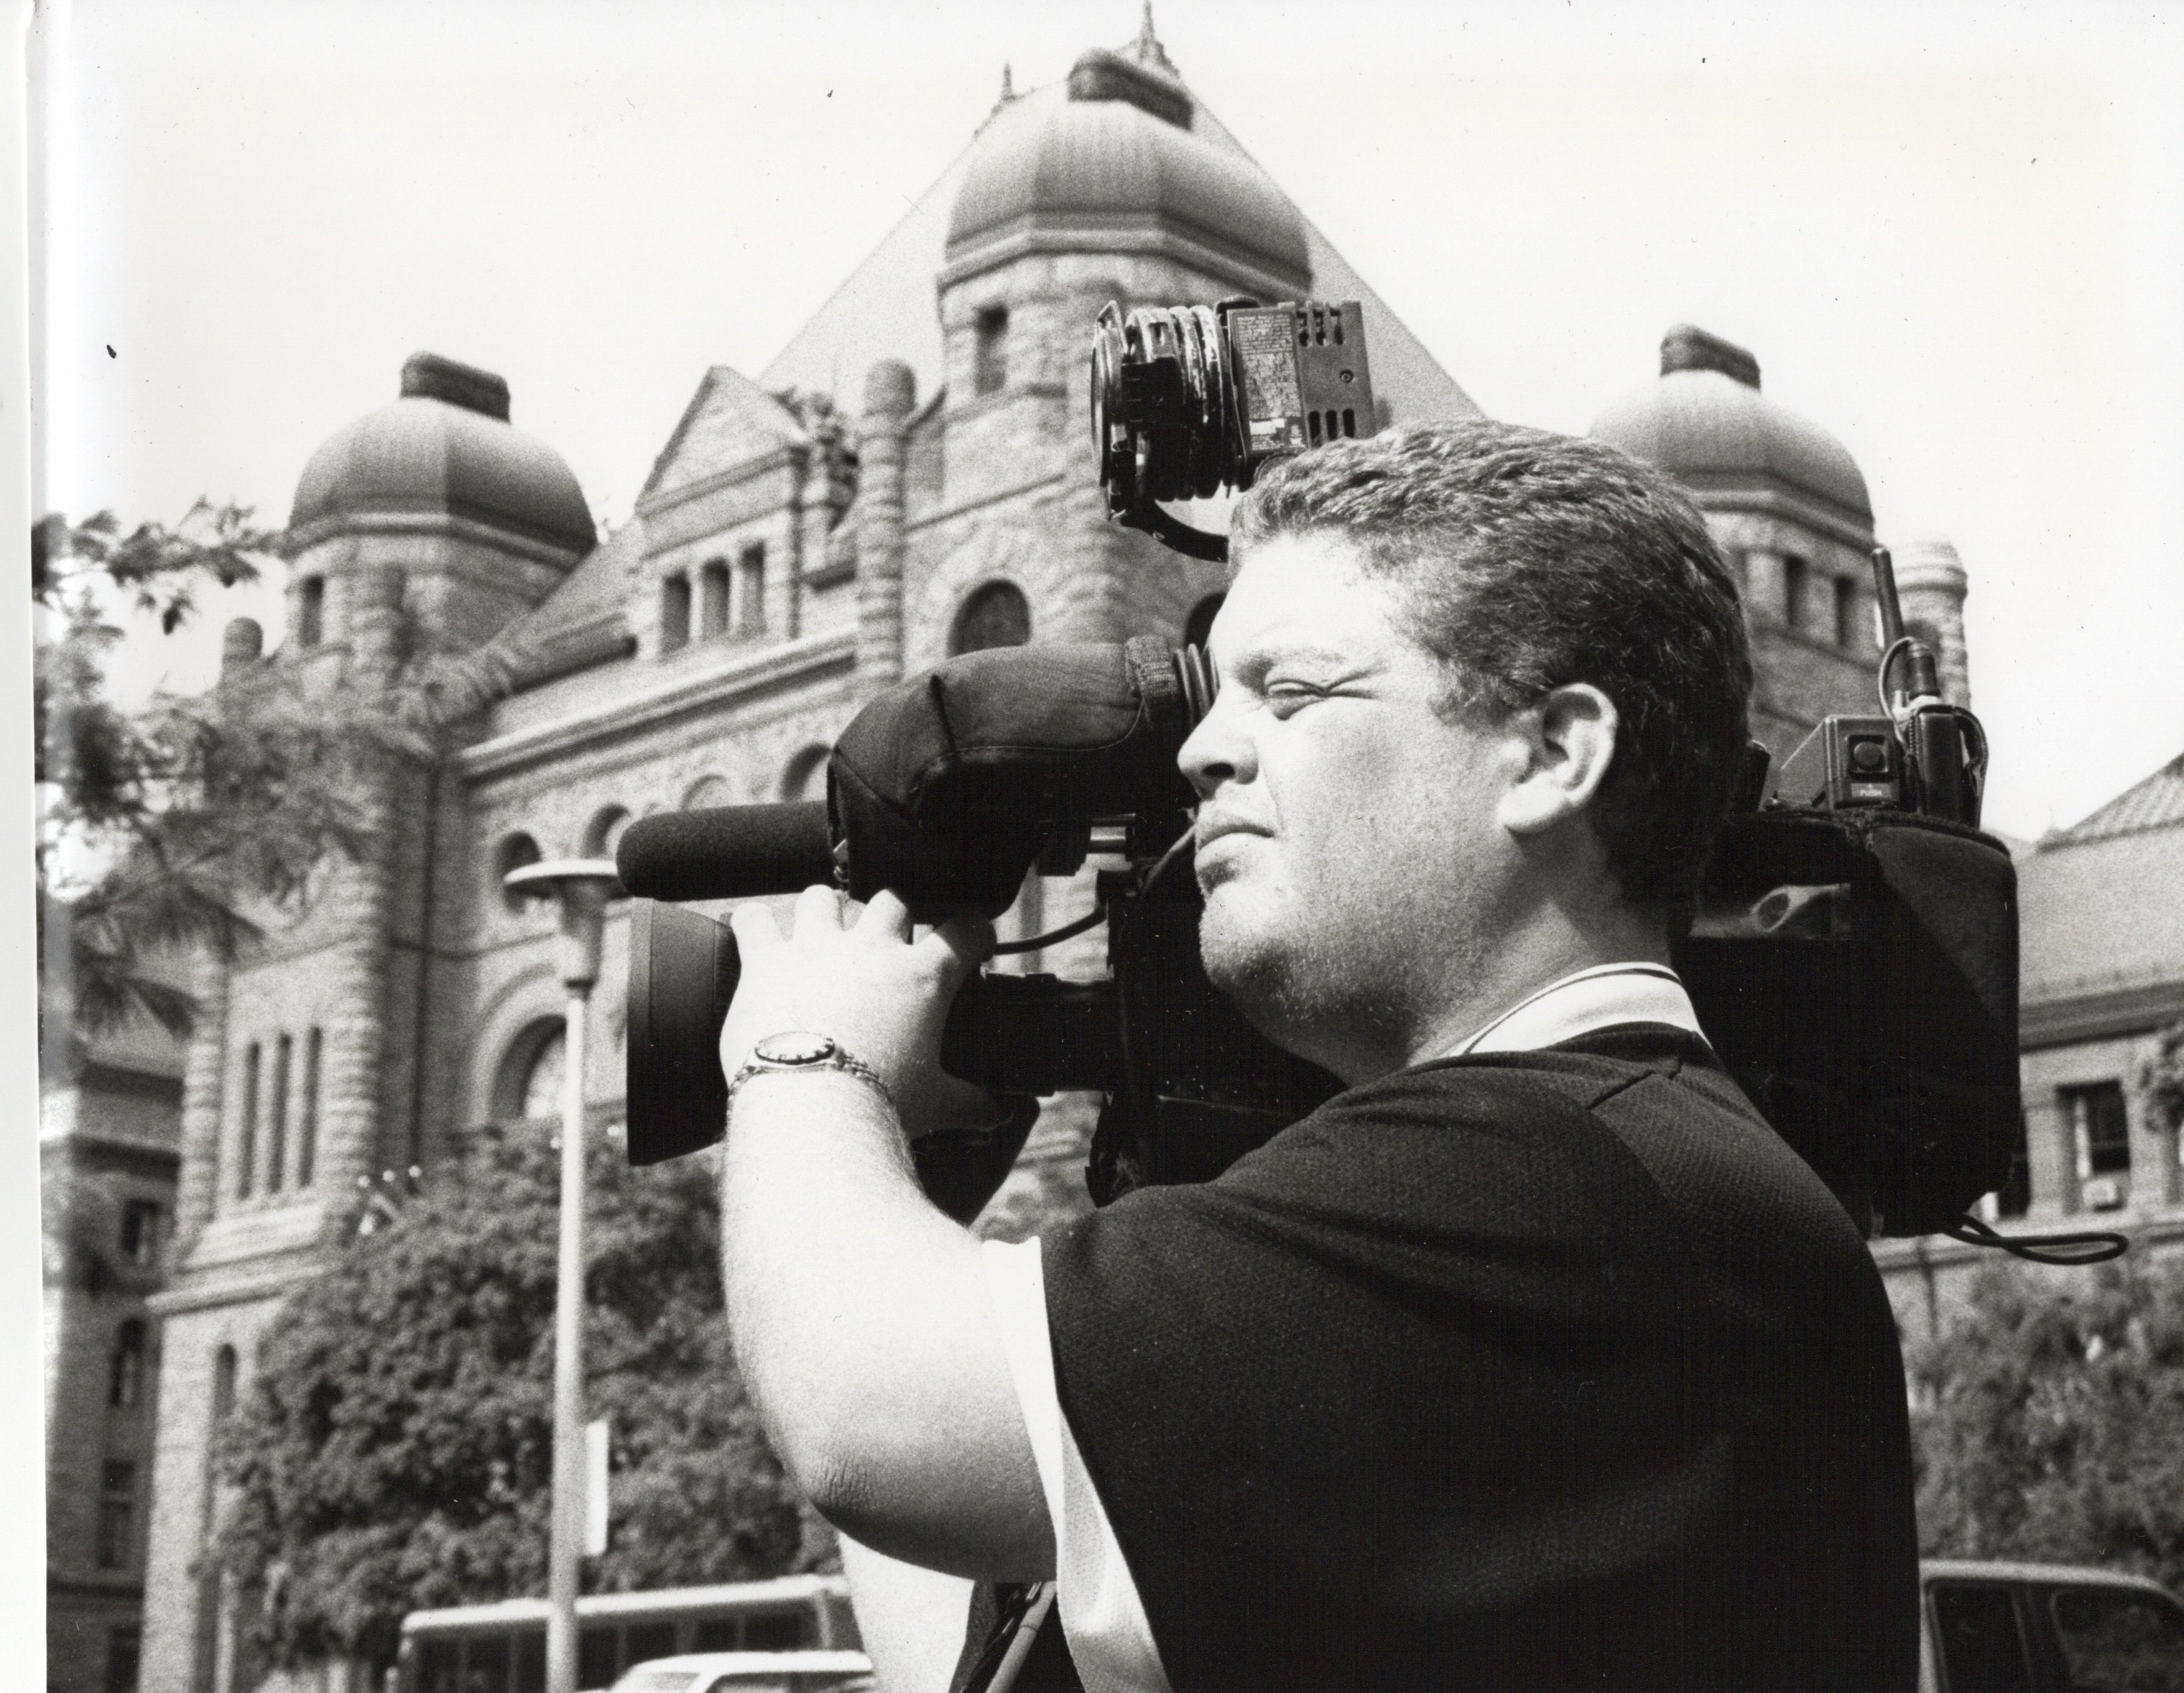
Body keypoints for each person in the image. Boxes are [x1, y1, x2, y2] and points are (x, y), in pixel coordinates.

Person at [713, 419, 1920, 1692]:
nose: (1200, 752)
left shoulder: (1538, 1178)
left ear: (1553, 753)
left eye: (1288, 692)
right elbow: (971, 1625)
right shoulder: (1606, 1170)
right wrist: (897, 1162)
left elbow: (867, 1420)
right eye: (1216, 695)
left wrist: (807, 1054)